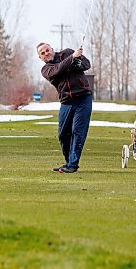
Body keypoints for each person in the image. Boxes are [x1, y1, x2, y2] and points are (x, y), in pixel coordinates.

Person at [37, 42, 92, 173]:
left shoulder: (67, 52)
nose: (46, 53)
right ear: (40, 58)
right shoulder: (46, 70)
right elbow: (58, 69)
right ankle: (69, 162)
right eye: (42, 53)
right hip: (66, 102)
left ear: (52, 48)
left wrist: (79, 63)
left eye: (47, 50)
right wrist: (73, 58)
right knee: (63, 135)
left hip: (83, 98)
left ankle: (73, 165)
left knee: (78, 132)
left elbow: (87, 64)